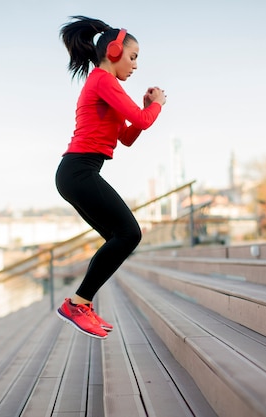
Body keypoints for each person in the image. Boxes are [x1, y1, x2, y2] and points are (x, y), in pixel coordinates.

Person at [55, 16, 167, 339]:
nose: (134, 66)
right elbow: (144, 121)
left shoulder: (106, 87)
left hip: (77, 173)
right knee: (129, 234)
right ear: (114, 51)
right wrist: (156, 105)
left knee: (121, 238)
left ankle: (81, 304)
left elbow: (129, 136)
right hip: (78, 171)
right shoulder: (103, 81)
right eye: (132, 58)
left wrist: (147, 107)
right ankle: (77, 304)